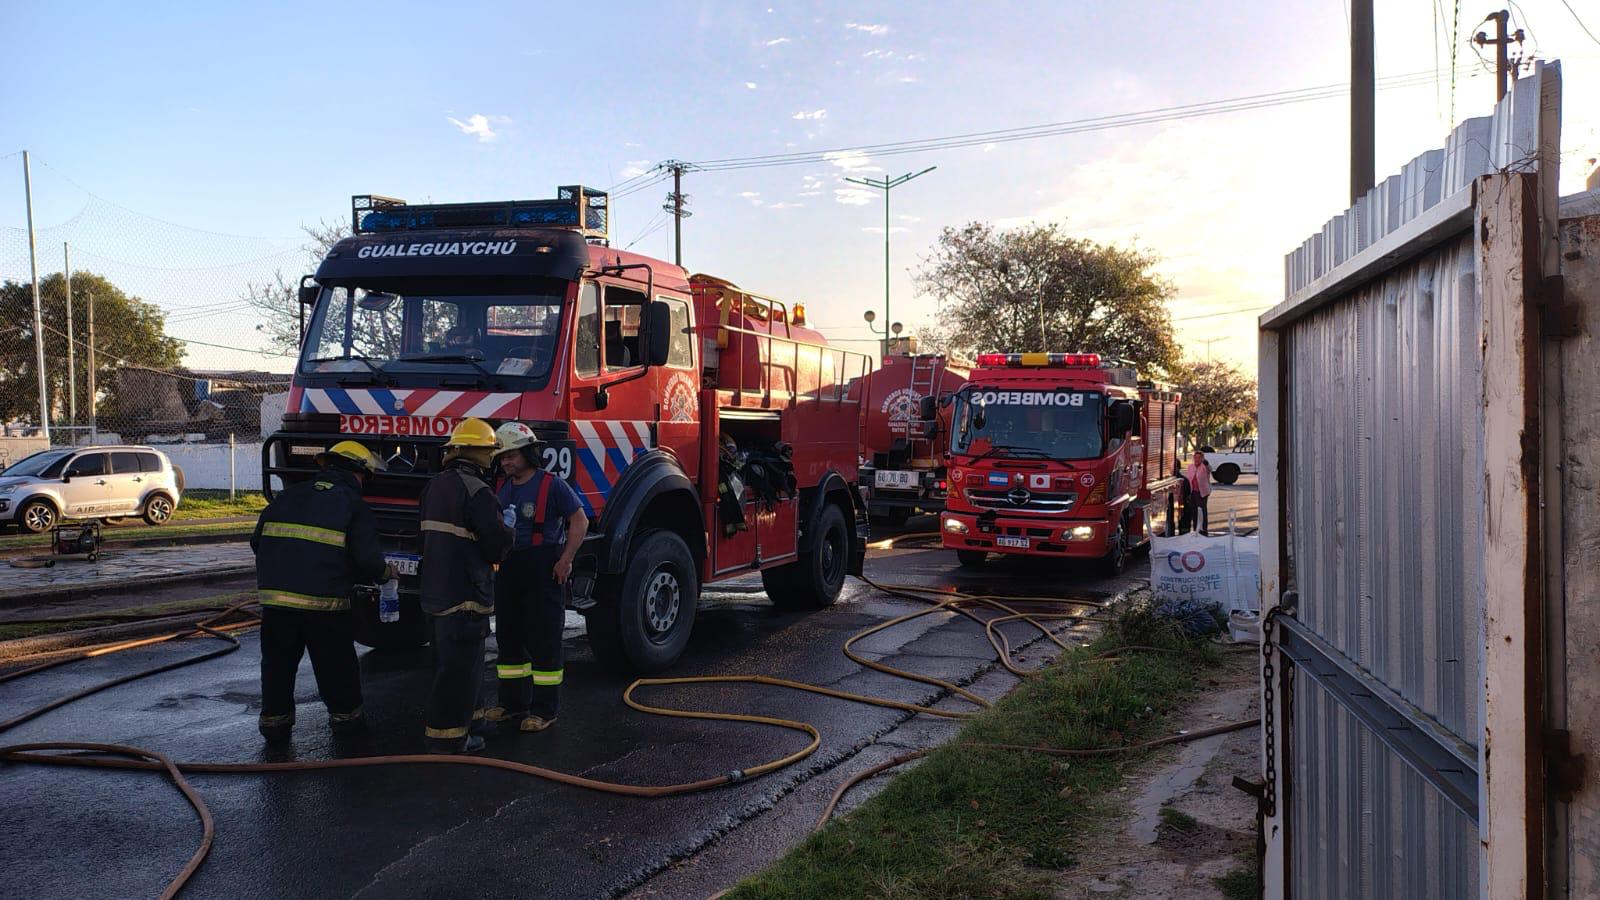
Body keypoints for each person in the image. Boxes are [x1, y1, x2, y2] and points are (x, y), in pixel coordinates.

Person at [251, 441, 390, 745]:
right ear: (357, 473)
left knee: (277, 666)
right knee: (336, 666)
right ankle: (348, 725)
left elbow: (256, 541)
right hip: (324, 606)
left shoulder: (288, 496)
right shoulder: (352, 504)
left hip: (276, 605)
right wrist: (386, 575)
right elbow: (368, 560)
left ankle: (274, 727)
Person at [417, 418, 514, 753]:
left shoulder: (434, 486)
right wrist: (509, 530)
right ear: (479, 453)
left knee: (459, 665)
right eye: (490, 452)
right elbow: (495, 547)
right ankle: (448, 739)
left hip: (435, 592)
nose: (493, 458)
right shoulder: (478, 491)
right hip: (466, 595)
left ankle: (473, 720)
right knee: (458, 670)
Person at [485, 422, 588, 732]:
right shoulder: (502, 486)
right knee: (509, 635)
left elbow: (579, 521)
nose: (505, 462)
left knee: (544, 639)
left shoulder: (553, 485)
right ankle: (511, 704)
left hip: (543, 565)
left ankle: (544, 710)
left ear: (529, 454)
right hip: (510, 566)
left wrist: (565, 560)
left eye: (511, 456)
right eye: (502, 457)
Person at [1183, 450, 1213, 536]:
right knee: (1194, 511)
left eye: (1199, 458)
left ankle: (1204, 530)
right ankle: (1196, 529)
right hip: (1192, 492)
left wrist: (1206, 463)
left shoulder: (1204, 467)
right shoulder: (1190, 467)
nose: (1197, 459)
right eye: (1195, 457)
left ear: (1202, 459)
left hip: (1202, 492)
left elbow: (1210, 469)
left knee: (1202, 511)